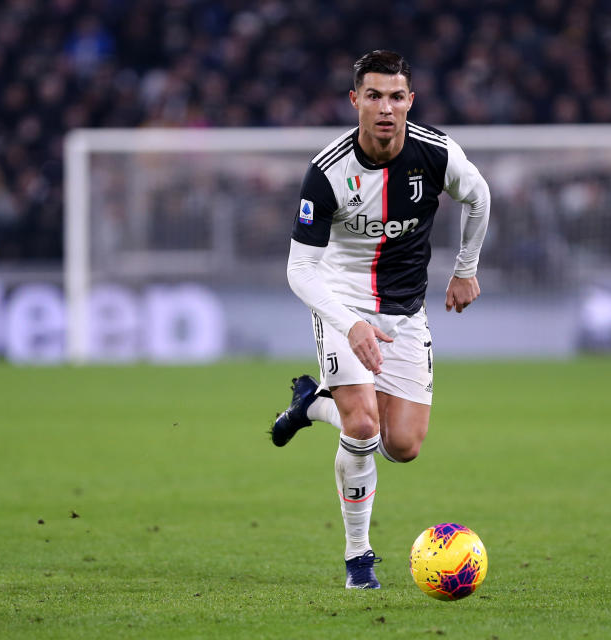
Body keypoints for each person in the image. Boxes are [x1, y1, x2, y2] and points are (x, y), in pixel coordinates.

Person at [270, 50, 490, 590]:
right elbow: (300, 270)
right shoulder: (328, 172)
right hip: (343, 305)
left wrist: (466, 270)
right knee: (364, 426)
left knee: (403, 446)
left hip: (406, 314)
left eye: (396, 97)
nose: (386, 108)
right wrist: (349, 325)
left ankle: (312, 404)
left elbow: (479, 196)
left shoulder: (435, 154)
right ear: (355, 101)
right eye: (374, 96)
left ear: (410, 101)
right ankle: (358, 559)